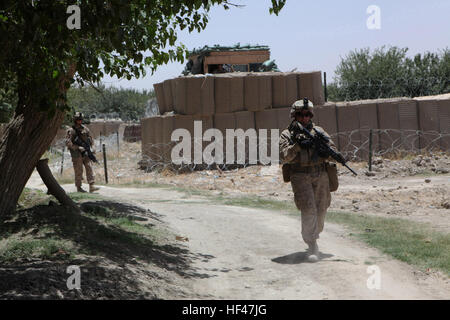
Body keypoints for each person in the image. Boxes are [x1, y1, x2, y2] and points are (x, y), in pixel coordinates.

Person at [279, 99, 337, 262]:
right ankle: (312, 244)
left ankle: (314, 234)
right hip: (300, 175)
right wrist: (297, 145)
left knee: (321, 208)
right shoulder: (287, 134)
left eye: (307, 114)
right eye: (300, 114)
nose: (304, 118)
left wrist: (324, 149)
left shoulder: (319, 131)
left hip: (320, 174)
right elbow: (284, 156)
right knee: (309, 209)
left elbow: (332, 150)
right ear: (294, 115)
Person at [65, 112, 100, 193]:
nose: (80, 121)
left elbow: (91, 139)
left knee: (89, 167)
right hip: (76, 154)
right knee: (78, 170)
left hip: (86, 152)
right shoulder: (71, 130)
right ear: (75, 120)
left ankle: (91, 186)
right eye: (78, 119)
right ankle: (79, 187)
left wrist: (92, 148)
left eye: (81, 119)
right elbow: (68, 143)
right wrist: (78, 147)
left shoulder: (85, 129)